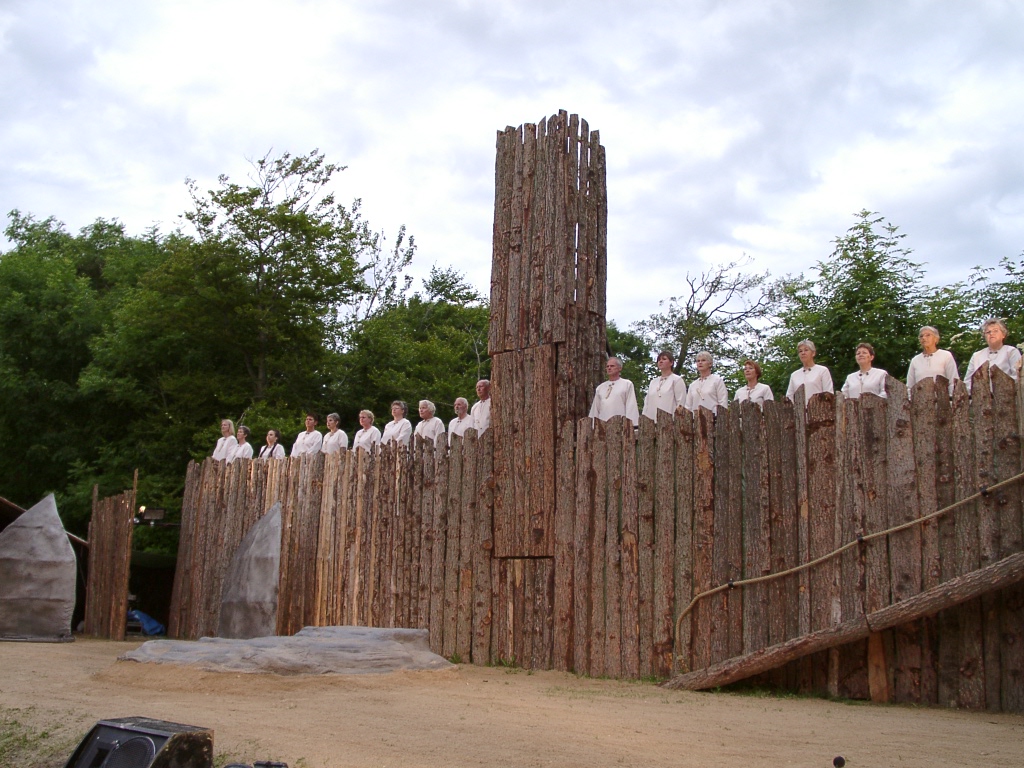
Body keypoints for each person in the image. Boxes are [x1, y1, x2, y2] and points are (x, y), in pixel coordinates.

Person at [964, 318, 1021, 393]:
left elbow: (1017, 376)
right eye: (988, 332)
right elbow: (968, 381)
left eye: (995, 331)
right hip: (980, 396)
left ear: (1003, 334)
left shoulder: (1011, 352)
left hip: (1006, 395)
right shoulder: (976, 356)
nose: (991, 334)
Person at [906, 325, 959, 397]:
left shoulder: (946, 356)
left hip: (942, 399)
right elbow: (910, 386)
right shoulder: (915, 360)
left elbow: (953, 381)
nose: (924, 338)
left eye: (928, 335)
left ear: (936, 339)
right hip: (921, 400)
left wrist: (951, 399)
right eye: (921, 336)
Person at [588, 357, 640, 426]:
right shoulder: (600, 388)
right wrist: (592, 426)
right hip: (603, 426)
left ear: (619, 368)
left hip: (620, 425)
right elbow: (595, 409)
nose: (609, 368)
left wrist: (632, 425)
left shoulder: (627, 384)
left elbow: (631, 406)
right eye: (607, 366)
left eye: (612, 366)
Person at [641, 350, 687, 421]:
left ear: (671, 362)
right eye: (659, 360)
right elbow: (647, 402)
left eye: (664, 359)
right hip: (651, 421)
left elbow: (681, 402)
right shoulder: (653, 382)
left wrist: (677, 420)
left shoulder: (677, 380)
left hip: (670, 421)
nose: (661, 361)